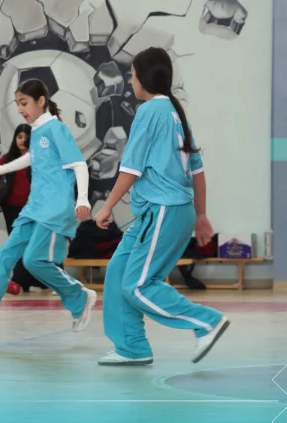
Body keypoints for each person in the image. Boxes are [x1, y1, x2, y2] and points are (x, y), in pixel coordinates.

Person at [91, 47, 229, 366]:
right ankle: (131, 346)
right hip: (165, 212)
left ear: (143, 77)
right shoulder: (175, 112)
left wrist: (106, 206)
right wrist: (202, 215)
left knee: (138, 285)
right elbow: (197, 171)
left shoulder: (150, 111)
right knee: (118, 272)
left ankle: (206, 321)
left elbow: (131, 168)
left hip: (163, 211)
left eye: (132, 74)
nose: (130, 80)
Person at [0, 79, 98, 344]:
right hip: (33, 208)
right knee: (4, 259)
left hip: (53, 210)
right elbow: (34, 157)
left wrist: (83, 200)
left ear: (41, 100)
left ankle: (78, 296)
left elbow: (79, 165)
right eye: (17, 103)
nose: (20, 109)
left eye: (24, 103)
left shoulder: (56, 129)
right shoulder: (38, 130)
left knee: (33, 261)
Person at [0, 123, 47, 293]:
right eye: (19, 137)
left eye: (26, 137)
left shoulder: (39, 157)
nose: (22, 140)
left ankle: (36, 280)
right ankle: (21, 281)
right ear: (14, 139)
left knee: (35, 244)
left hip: (35, 209)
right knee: (18, 244)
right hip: (12, 208)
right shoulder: (8, 158)